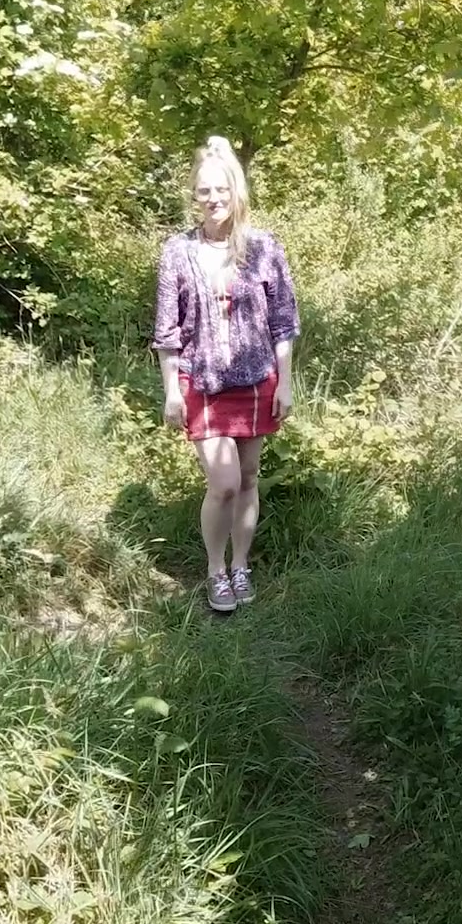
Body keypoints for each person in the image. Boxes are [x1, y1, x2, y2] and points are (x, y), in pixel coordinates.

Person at [150, 135, 300, 613]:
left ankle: (241, 566)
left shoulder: (263, 247)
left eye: (221, 189)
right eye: (204, 191)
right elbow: (167, 330)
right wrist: (171, 391)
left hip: (258, 379)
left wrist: (286, 383)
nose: (213, 199)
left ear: (237, 191)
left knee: (250, 477)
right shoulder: (178, 251)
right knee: (225, 483)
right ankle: (215, 570)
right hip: (204, 382)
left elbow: (283, 322)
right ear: (194, 196)